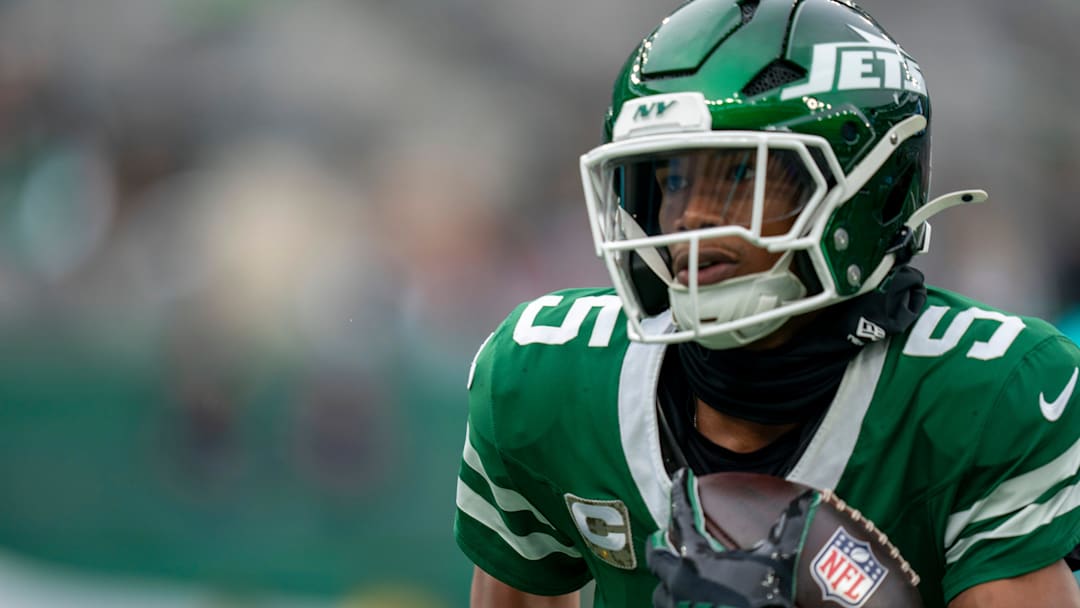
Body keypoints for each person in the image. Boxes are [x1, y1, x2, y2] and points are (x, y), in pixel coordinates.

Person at [453, 0, 1080, 606]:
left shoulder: (991, 394)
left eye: (738, 176)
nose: (691, 218)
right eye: (673, 179)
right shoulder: (544, 378)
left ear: (866, 187)